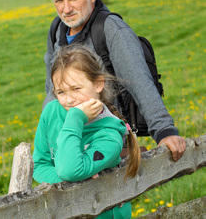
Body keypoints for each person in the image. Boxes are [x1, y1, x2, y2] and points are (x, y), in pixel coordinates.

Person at [43, 0, 186, 161]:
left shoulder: (110, 29)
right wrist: (49, 142)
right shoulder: (57, 30)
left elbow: (139, 80)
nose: (66, 9)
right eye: (59, 1)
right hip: (72, 140)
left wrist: (165, 130)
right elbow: (51, 90)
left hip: (107, 138)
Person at [33, 44, 141, 219]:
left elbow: (69, 170)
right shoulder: (52, 111)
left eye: (76, 89)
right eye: (61, 92)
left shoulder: (109, 134)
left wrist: (75, 119)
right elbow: (40, 165)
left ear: (98, 84)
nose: (69, 100)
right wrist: (72, 182)